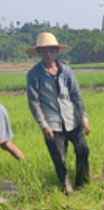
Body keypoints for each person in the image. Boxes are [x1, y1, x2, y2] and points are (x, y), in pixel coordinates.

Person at [26, 32, 91, 194]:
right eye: (44, 51)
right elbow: (33, 102)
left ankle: (82, 184)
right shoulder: (34, 75)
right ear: (39, 52)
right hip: (52, 123)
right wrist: (43, 125)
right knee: (59, 158)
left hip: (71, 120)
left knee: (83, 149)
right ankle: (66, 188)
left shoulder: (66, 72)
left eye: (52, 50)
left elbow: (76, 96)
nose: (48, 54)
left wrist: (83, 118)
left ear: (57, 51)